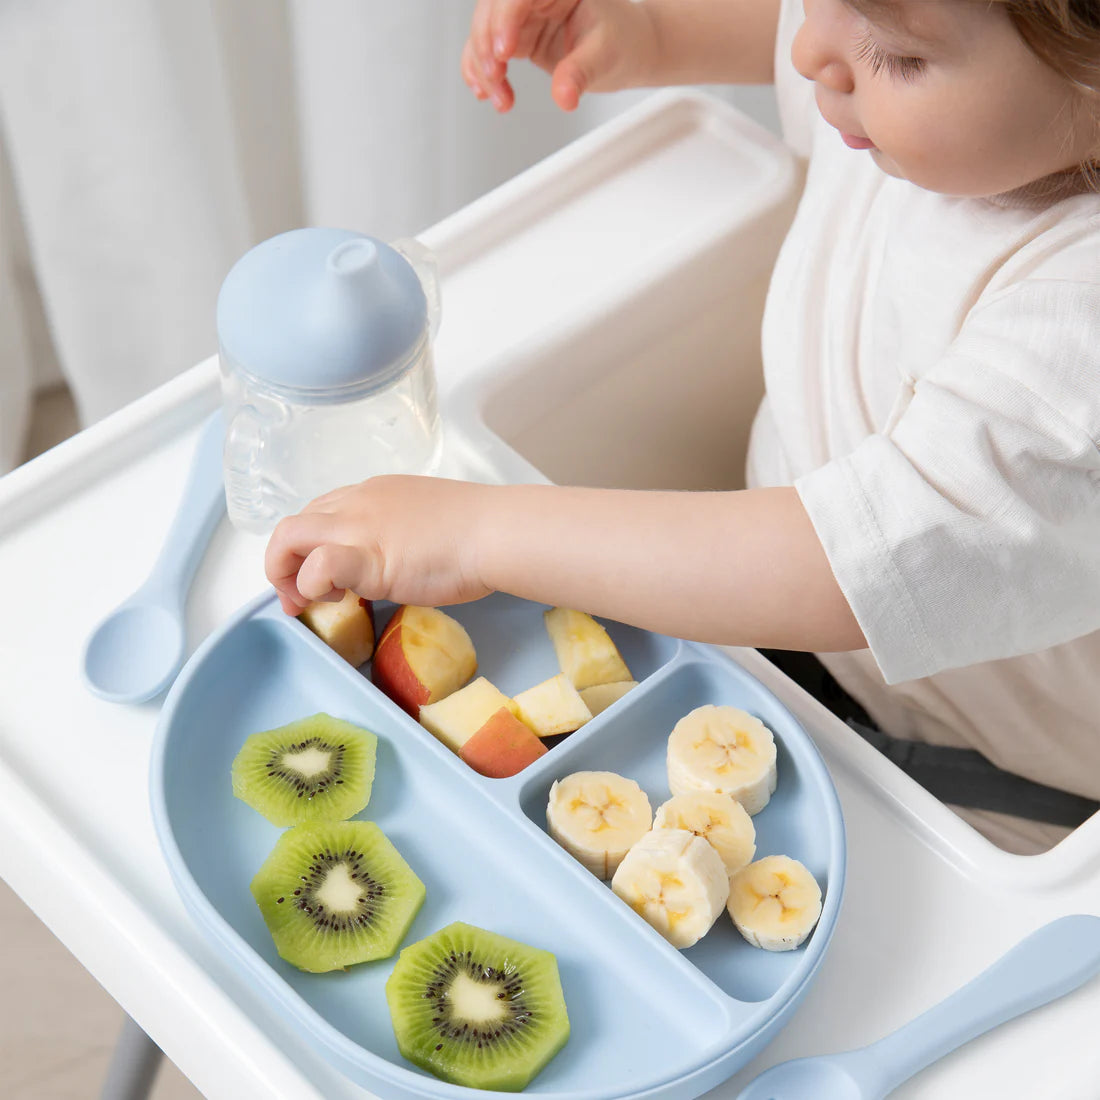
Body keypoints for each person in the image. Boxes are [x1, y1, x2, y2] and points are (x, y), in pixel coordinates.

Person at [266, 0, 1100, 854]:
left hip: (999, 789)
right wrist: (652, 31)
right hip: (816, 658)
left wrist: (478, 532)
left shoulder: (1079, 334)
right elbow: (797, 30)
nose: (812, 51)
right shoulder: (923, 104)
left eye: (898, 56)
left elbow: (843, 566)